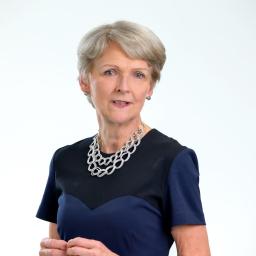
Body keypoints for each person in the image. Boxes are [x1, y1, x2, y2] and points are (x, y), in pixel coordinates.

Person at [36, 20, 211, 256]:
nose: (124, 86)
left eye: (138, 74)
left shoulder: (173, 161)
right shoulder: (64, 160)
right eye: (110, 72)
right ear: (84, 81)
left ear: (149, 87)